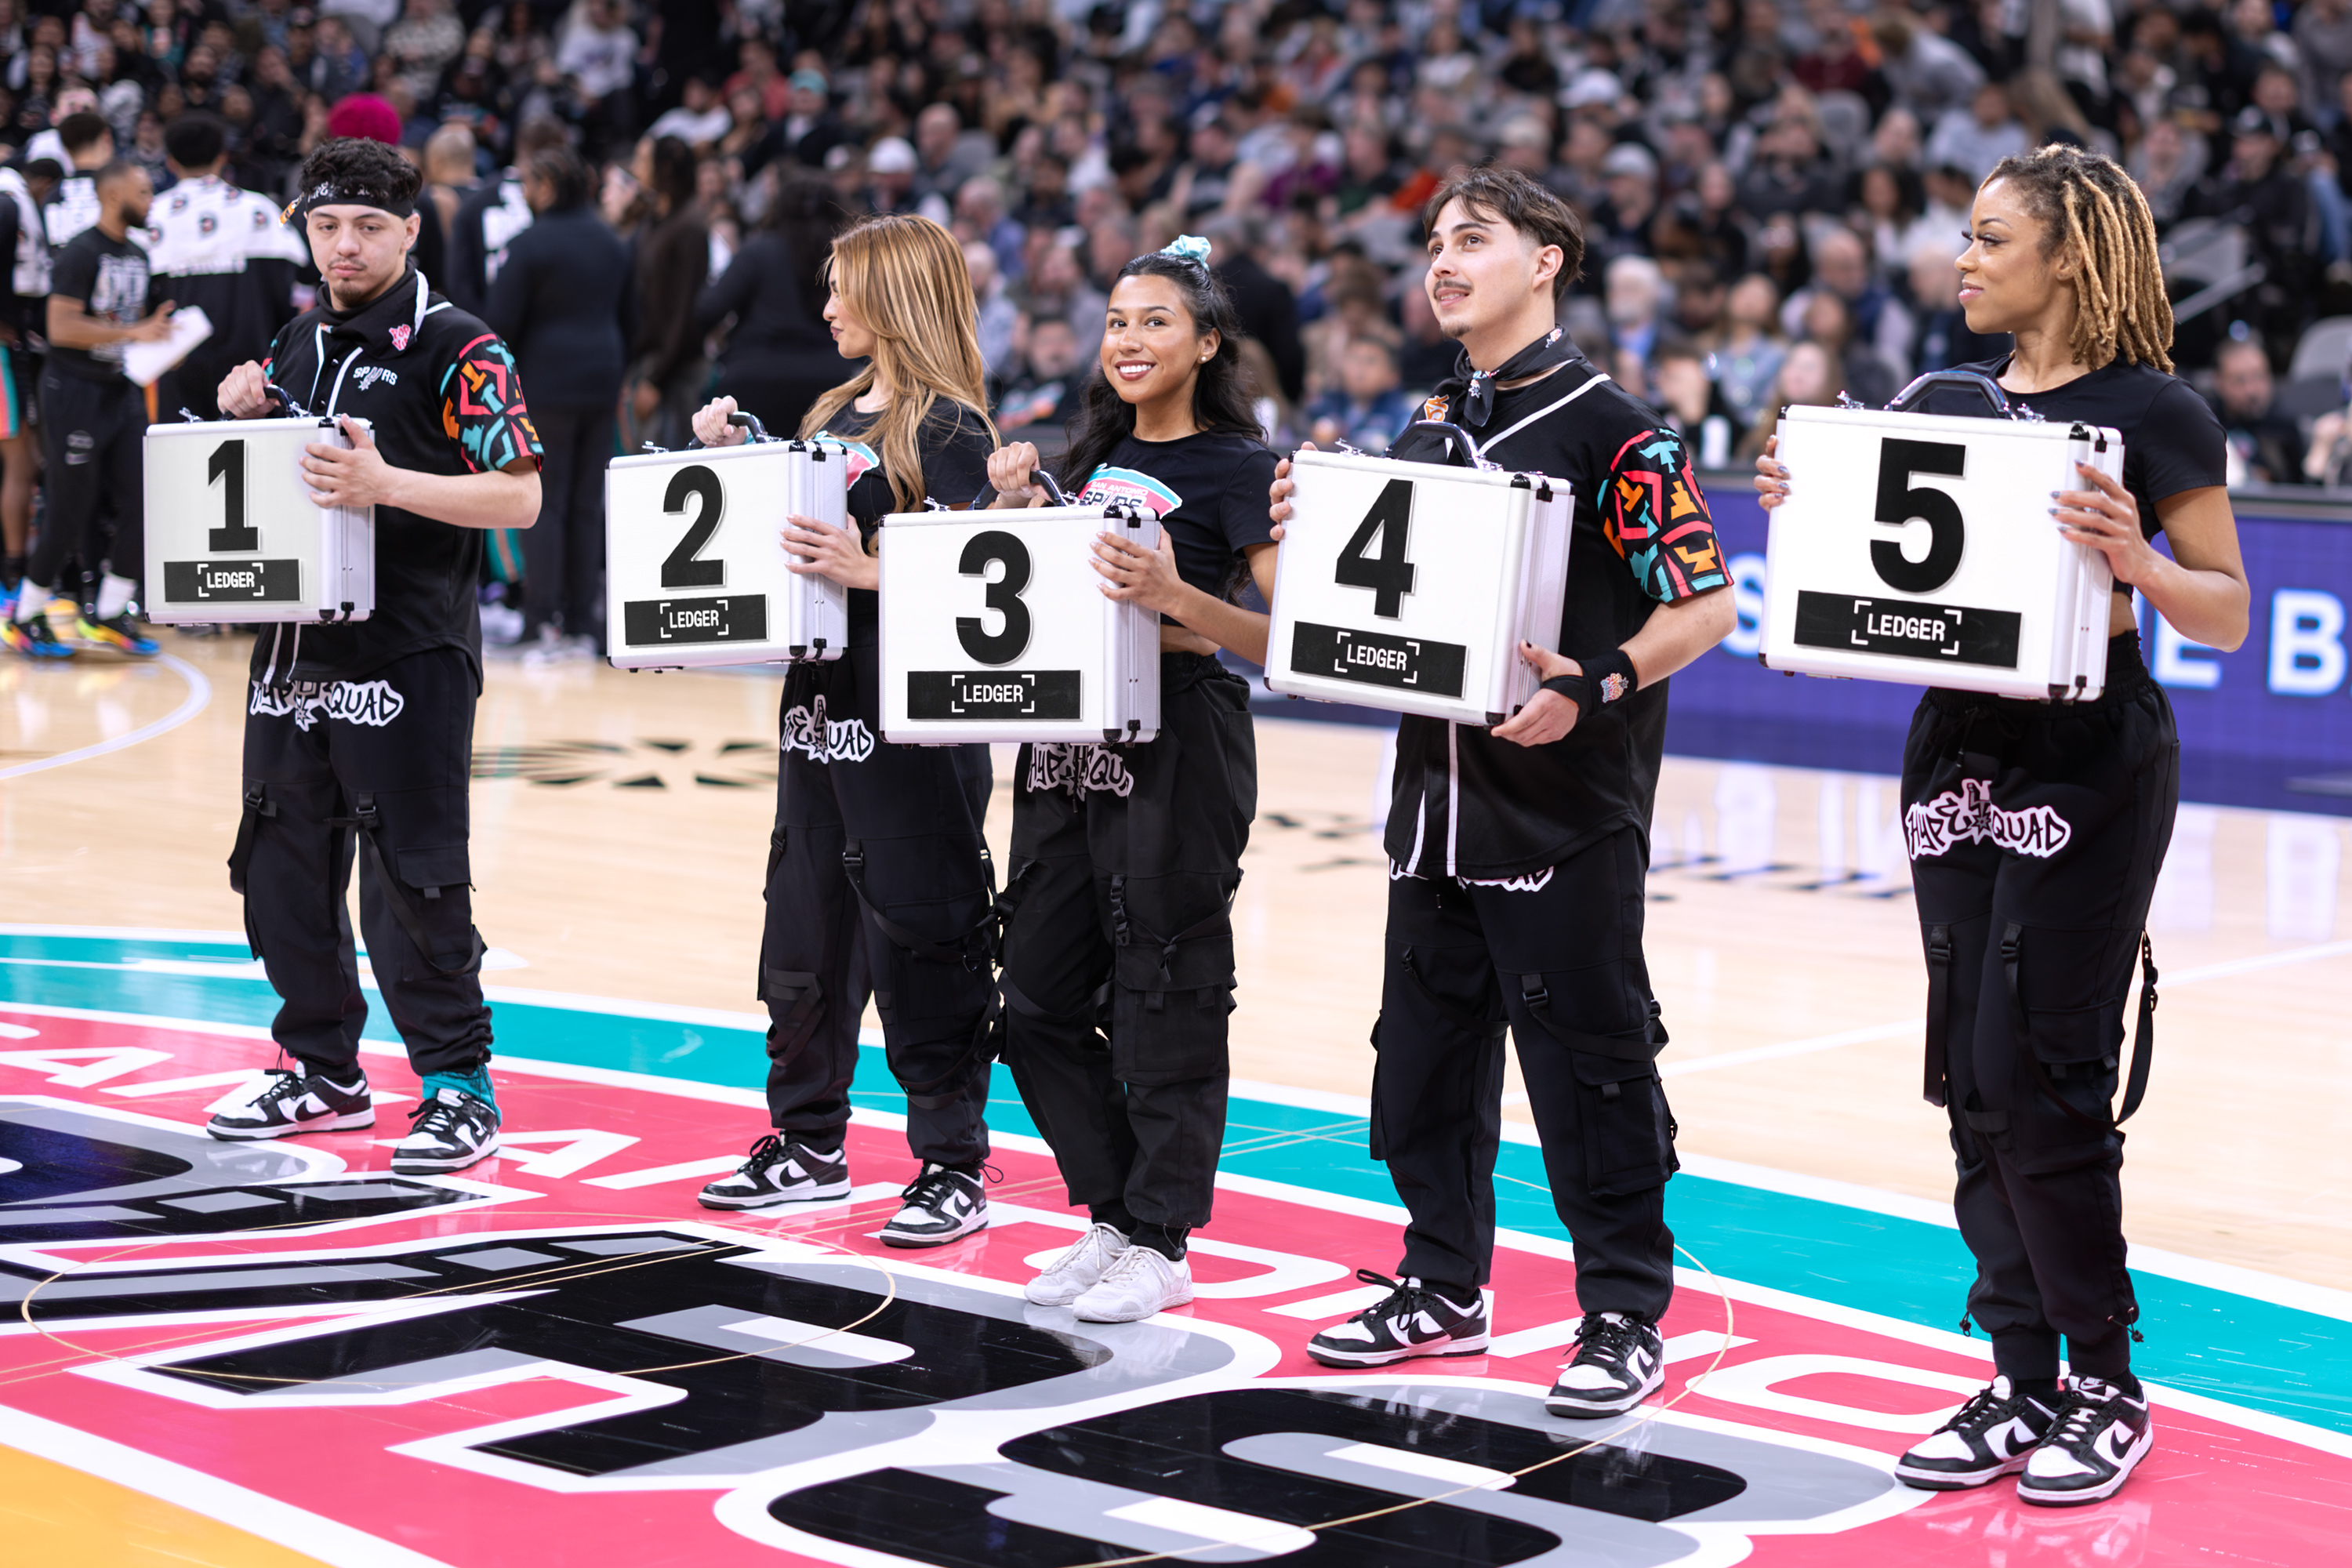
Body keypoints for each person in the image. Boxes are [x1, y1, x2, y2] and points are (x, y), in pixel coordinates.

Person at [1755, 143, 2249, 1507]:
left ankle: (2106, 1383)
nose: (1960, 259)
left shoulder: (2156, 411)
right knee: (1970, 1074)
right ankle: (2020, 1374)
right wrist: (1811, 508)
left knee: (2045, 1071)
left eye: (1987, 238)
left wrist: (2139, 560)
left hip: (2089, 753)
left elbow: (2226, 608)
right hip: (1953, 746)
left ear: (2069, 256)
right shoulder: (1939, 397)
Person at [1268, 166, 1734, 1417]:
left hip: (1563, 815)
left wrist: (1602, 678)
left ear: (1547, 260)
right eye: (1433, 242)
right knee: (1421, 1069)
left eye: (1472, 238)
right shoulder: (1426, 423)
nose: (1442, 261)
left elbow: (1706, 604)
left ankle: (1624, 1312)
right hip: (1431, 816)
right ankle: (1442, 1283)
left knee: (1591, 1073)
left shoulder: (1615, 429)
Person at [201, 136, 543, 1175]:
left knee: (412, 880)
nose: (343, 245)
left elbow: (521, 496)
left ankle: (458, 1086)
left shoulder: (462, 345)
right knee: (283, 870)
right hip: (289, 652)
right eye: (326, 225)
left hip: (409, 655)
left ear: (410, 231)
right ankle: (323, 1070)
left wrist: (386, 484)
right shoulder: (295, 340)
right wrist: (246, 409)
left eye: (367, 226)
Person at [687, 213, 1004, 1251]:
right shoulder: (830, 410)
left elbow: (979, 585)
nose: (826, 308)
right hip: (817, 722)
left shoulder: (954, 429)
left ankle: (952, 1163)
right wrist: (738, 466)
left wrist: (869, 569)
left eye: (842, 288)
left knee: (925, 942)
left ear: (895, 294)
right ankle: (809, 1141)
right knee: (804, 940)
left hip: (916, 732)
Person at [982, 235, 1276, 1325]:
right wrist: (1019, 511)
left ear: (1207, 344)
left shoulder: (1243, 469)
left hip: (1182, 744)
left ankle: (1161, 1236)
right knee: (1035, 997)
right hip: (1065, 748)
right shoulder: (1089, 457)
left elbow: (1286, 637)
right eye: (1117, 321)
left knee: (1166, 994)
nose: (1130, 339)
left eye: (1156, 320)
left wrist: (1175, 597)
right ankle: (1113, 1211)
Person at [8, 160, 169, 659]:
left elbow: (133, 324)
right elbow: (61, 329)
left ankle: (109, 611)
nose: (150, 201)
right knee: (69, 504)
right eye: (143, 192)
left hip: (120, 387)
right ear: (113, 194)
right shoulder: (80, 251)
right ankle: (26, 615)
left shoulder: (139, 253)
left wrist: (163, 335)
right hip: (73, 389)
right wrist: (133, 331)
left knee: (148, 497)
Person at [485, 143, 633, 654]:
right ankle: (583, 618)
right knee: (586, 504)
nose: (525, 192)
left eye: (530, 183)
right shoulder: (610, 240)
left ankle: (539, 617)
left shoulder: (530, 244)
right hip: (603, 381)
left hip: (546, 384)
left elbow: (500, 322)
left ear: (547, 187)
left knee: (544, 501)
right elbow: (631, 317)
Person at [143, 113, 306, 424]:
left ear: (171, 162)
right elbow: (291, 291)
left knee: (181, 451)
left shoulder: (152, 216)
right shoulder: (261, 211)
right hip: (252, 372)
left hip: (179, 365)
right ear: (222, 156)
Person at [691, 172, 843, 439]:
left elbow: (708, 309)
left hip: (755, 381)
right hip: (831, 384)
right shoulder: (842, 257)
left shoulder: (759, 251)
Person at [625, 134, 707, 452]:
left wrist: (655, 379)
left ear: (666, 167)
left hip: (675, 371)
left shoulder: (690, 226)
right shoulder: (654, 221)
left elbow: (685, 311)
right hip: (651, 361)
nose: (636, 168)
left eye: (643, 160)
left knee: (670, 462)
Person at [0, 151, 45, 630]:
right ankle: (12, 575)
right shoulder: (9, 198)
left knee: (22, 460)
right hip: (4, 349)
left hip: (13, 346)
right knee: (20, 461)